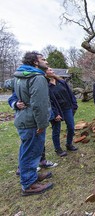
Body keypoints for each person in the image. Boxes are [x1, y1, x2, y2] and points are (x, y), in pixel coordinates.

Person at [13, 51, 53, 196]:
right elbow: (39, 104)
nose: (46, 61)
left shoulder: (19, 76)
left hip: (24, 119)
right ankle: (29, 184)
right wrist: (42, 124)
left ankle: (31, 176)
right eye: (43, 59)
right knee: (31, 152)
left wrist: (15, 104)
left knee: (27, 150)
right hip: (32, 122)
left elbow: (17, 96)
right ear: (35, 62)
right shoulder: (37, 77)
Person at [8, 91, 58, 175]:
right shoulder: (25, 83)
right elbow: (12, 99)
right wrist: (16, 104)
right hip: (28, 122)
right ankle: (22, 169)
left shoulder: (42, 82)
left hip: (39, 119)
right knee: (27, 145)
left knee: (39, 143)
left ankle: (42, 161)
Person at [46, 68, 78, 157]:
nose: (51, 71)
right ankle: (58, 149)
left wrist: (74, 104)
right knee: (56, 130)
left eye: (52, 70)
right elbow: (48, 101)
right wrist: (55, 113)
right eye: (49, 70)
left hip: (67, 108)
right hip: (56, 110)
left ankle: (69, 144)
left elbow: (70, 93)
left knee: (71, 127)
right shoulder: (46, 86)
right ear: (45, 73)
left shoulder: (61, 81)